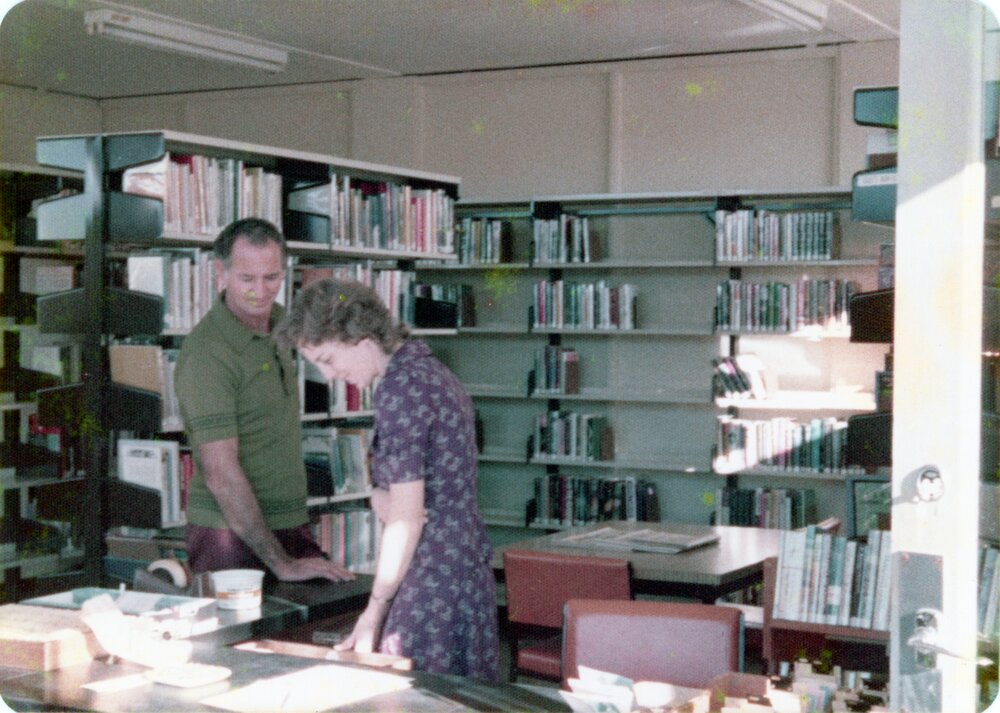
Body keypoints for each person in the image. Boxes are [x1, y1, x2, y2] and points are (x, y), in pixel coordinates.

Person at [274, 278, 500, 682]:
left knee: (408, 693)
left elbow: (408, 519)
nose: (327, 376)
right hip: (463, 568)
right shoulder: (428, 370)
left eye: (327, 359)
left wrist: (376, 607)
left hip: (431, 576)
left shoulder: (400, 390)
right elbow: (430, 480)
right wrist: (383, 495)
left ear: (360, 339)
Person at [174, 217, 353, 583]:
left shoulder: (281, 323)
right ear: (220, 273)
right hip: (228, 533)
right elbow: (221, 475)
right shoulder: (208, 353)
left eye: (271, 278)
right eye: (247, 279)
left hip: (289, 523)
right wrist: (282, 563)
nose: (260, 291)